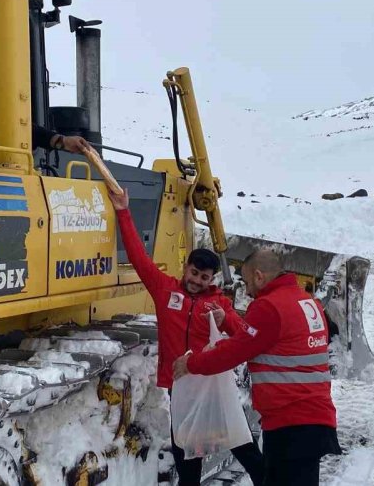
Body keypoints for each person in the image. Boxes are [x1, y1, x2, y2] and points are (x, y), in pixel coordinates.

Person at [107, 187, 264, 486]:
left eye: (204, 278)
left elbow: (244, 337)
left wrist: (226, 318)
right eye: (194, 273)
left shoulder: (218, 303)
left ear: (212, 279)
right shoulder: (165, 290)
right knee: (186, 458)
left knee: (244, 449)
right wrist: (123, 212)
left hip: (214, 389)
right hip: (180, 390)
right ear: (185, 268)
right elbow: (140, 259)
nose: (196, 281)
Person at [172, 249, 342, 486]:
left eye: (248, 281)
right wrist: (228, 321)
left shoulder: (269, 307)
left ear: (260, 276)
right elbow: (259, 339)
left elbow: (234, 352)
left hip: (290, 423)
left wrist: (191, 363)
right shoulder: (307, 302)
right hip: (314, 418)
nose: (248, 290)